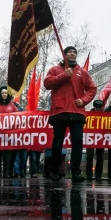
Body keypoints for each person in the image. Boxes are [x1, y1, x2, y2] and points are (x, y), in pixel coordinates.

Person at [43, 46, 97, 182]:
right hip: (60, 110)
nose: (72, 54)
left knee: (77, 142)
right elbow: (47, 84)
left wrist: (83, 100)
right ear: (64, 54)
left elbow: (92, 88)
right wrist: (64, 75)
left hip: (77, 111)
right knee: (58, 141)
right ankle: (54, 170)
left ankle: (76, 172)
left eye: (74, 52)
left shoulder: (82, 72)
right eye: (70, 52)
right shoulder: (54, 70)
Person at [0, 86, 18, 178]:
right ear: (0, 95)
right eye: (2, 93)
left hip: (9, 135)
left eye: (5, 93)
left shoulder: (12, 106)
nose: (4, 95)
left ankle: (7, 172)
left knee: (9, 153)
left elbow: (18, 117)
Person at [85, 98, 106, 180]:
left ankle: (98, 175)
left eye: (99, 107)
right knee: (89, 156)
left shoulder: (105, 115)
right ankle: (89, 174)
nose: (98, 108)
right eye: (97, 107)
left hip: (101, 139)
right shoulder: (89, 114)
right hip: (90, 138)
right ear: (94, 107)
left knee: (100, 157)